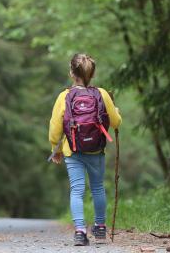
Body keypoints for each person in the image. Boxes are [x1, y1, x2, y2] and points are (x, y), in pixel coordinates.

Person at [48, 53, 122, 246]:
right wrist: (118, 114)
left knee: (77, 190)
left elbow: (55, 128)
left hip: (73, 151)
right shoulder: (102, 94)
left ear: (72, 73)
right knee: (97, 188)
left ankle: (80, 231)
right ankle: (100, 227)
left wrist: (55, 149)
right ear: (93, 74)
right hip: (96, 150)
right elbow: (115, 122)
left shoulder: (64, 96)